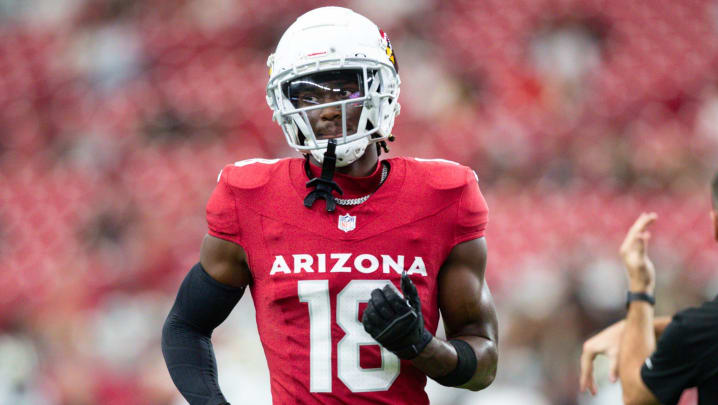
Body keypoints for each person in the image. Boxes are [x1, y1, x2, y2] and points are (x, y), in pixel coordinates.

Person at [161, 7, 498, 405]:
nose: (323, 110)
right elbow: (186, 326)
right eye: (306, 95)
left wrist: (422, 347)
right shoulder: (250, 197)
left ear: (381, 89)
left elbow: (484, 367)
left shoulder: (443, 195)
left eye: (343, 90)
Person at [579, 172, 718, 405]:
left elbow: (637, 398)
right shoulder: (701, 329)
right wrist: (645, 328)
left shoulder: (701, 330)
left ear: (716, 224)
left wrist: (640, 290)